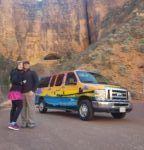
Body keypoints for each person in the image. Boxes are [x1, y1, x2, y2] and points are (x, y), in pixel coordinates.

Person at [8, 61, 26, 131]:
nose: (22, 66)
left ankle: (12, 123)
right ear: (17, 65)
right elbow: (14, 80)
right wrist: (21, 82)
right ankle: (12, 123)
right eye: (20, 65)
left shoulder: (15, 71)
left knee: (14, 107)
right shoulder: (16, 71)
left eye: (22, 65)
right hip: (16, 91)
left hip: (14, 91)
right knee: (20, 106)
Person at [21, 61, 39, 128]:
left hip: (30, 93)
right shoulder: (21, 73)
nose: (26, 65)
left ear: (29, 65)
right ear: (23, 65)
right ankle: (24, 123)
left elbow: (37, 82)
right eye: (24, 64)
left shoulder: (32, 72)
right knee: (23, 109)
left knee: (31, 109)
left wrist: (33, 91)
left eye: (27, 64)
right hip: (22, 94)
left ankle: (31, 123)